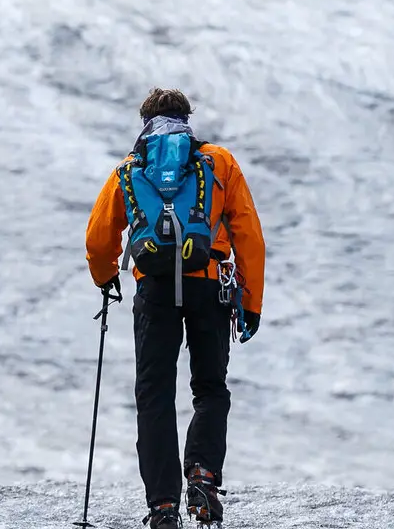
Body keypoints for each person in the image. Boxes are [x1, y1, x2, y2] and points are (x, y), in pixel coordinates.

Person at [85, 88, 266, 529]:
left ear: (145, 122)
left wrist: (106, 277)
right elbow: (248, 234)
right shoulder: (219, 162)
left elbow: (98, 240)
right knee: (209, 388)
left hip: (155, 291)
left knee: (155, 395)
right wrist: (251, 300)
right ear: (188, 119)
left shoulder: (131, 168)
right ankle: (202, 474)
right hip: (209, 286)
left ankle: (163, 505)